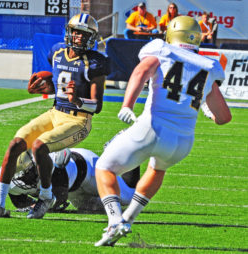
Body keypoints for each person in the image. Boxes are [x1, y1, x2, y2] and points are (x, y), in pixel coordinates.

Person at [94, 16, 232, 247]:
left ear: (171, 34)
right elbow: (224, 118)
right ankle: (128, 219)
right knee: (157, 169)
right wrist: (207, 110)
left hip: (153, 126)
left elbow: (141, 72)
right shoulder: (208, 65)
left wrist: (127, 105)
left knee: (104, 167)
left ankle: (115, 219)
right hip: (182, 141)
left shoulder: (161, 49)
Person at [0, 13, 109, 219]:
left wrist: (78, 100)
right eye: (75, 33)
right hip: (55, 112)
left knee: (40, 146)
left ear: (91, 37)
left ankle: (46, 197)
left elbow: (98, 106)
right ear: (69, 32)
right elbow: (59, 82)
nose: (77, 38)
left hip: (79, 120)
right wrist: (45, 87)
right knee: (15, 144)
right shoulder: (57, 51)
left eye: (83, 35)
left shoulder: (95, 62)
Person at [0, 148, 140, 213]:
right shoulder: (9, 180)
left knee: (128, 198)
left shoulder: (53, 165)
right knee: (90, 208)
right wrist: (32, 205)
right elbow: (19, 201)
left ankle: (123, 150)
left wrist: (40, 206)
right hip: (74, 188)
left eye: (32, 169)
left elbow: (59, 198)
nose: (32, 173)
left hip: (89, 169)